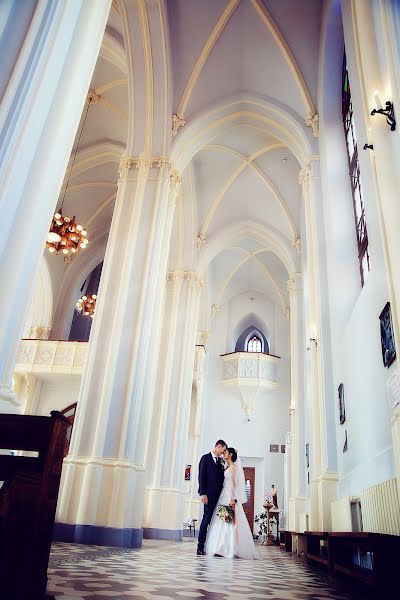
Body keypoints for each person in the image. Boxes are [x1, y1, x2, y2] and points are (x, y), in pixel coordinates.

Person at [205, 447, 260, 559]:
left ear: (230, 455)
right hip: (224, 495)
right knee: (222, 520)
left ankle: (228, 548)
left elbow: (235, 484)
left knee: (229, 522)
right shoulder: (227, 466)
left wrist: (233, 499)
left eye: (225, 452)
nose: (223, 454)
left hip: (229, 496)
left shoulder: (233, 468)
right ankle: (220, 547)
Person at [197, 439, 227, 555]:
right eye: (222, 450)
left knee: (216, 523)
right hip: (208, 497)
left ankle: (215, 547)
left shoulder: (220, 461)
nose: (222, 453)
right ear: (218, 447)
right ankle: (200, 546)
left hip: (219, 498)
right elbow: (201, 477)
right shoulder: (205, 458)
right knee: (206, 520)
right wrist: (203, 493)